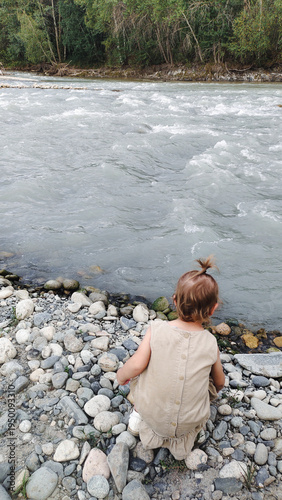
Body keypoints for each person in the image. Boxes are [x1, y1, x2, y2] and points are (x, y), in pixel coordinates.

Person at [116, 256, 225, 464]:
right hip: (187, 424)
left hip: (153, 415)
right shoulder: (210, 342)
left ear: (174, 301)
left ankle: (138, 416)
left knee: (140, 374)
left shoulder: (157, 329)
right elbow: (220, 383)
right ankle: (193, 432)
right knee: (208, 382)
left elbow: (137, 365)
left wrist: (121, 376)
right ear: (213, 309)